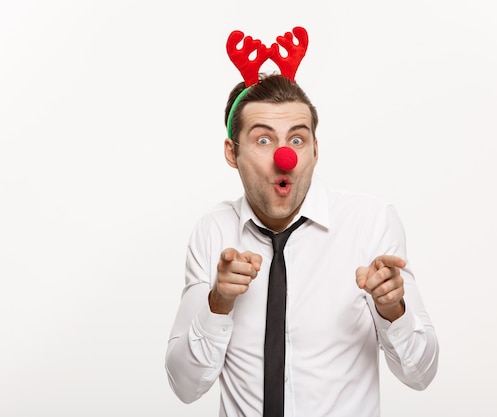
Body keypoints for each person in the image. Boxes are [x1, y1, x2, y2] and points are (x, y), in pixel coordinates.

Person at [165, 27, 439, 417]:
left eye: (296, 139)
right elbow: (184, 386)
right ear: (232, 152)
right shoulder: (213, 232)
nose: (284, 157)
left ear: (315, 148)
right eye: (263, 140)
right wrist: (218, 302)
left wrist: (393, 309)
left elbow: (421, 373)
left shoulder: (370, 222)